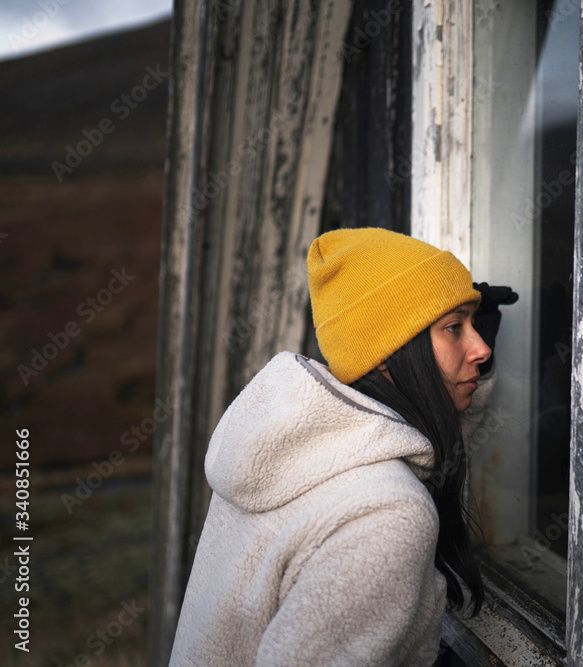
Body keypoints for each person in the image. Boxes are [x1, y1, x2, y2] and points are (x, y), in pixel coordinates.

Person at [168, 227, 517, 666]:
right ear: (389, 352)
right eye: (453, 327)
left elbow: (413, 450)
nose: (481, 347)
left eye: (473, 324)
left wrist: (467, 374)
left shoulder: (289, 451)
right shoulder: (387, 515)